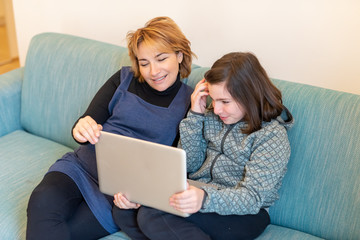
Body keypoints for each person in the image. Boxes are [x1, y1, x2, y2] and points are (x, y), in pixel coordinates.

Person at [26, 16, 195, 240]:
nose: (153, 71)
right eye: (144, 63)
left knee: (67, 233)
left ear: (180, 55)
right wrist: (81, 127)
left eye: (161, 59)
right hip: (80, 169)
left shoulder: (189, 103)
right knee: (41, 202)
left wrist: (141, 195)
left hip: (118, 192)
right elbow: (87, 123)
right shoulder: (123, 79)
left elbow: (178, 167)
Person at [112, 52, 294, 240]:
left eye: (225, 102)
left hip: (244, 213)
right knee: (124, 210)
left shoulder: (272, 136)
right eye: (213, 100)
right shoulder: (211, 116)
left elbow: (253, 198)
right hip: (198, 193)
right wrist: (195, 115)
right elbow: (190, 165)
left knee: (152, 215)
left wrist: (205, 199)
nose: (216, 109)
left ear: (250, 96)